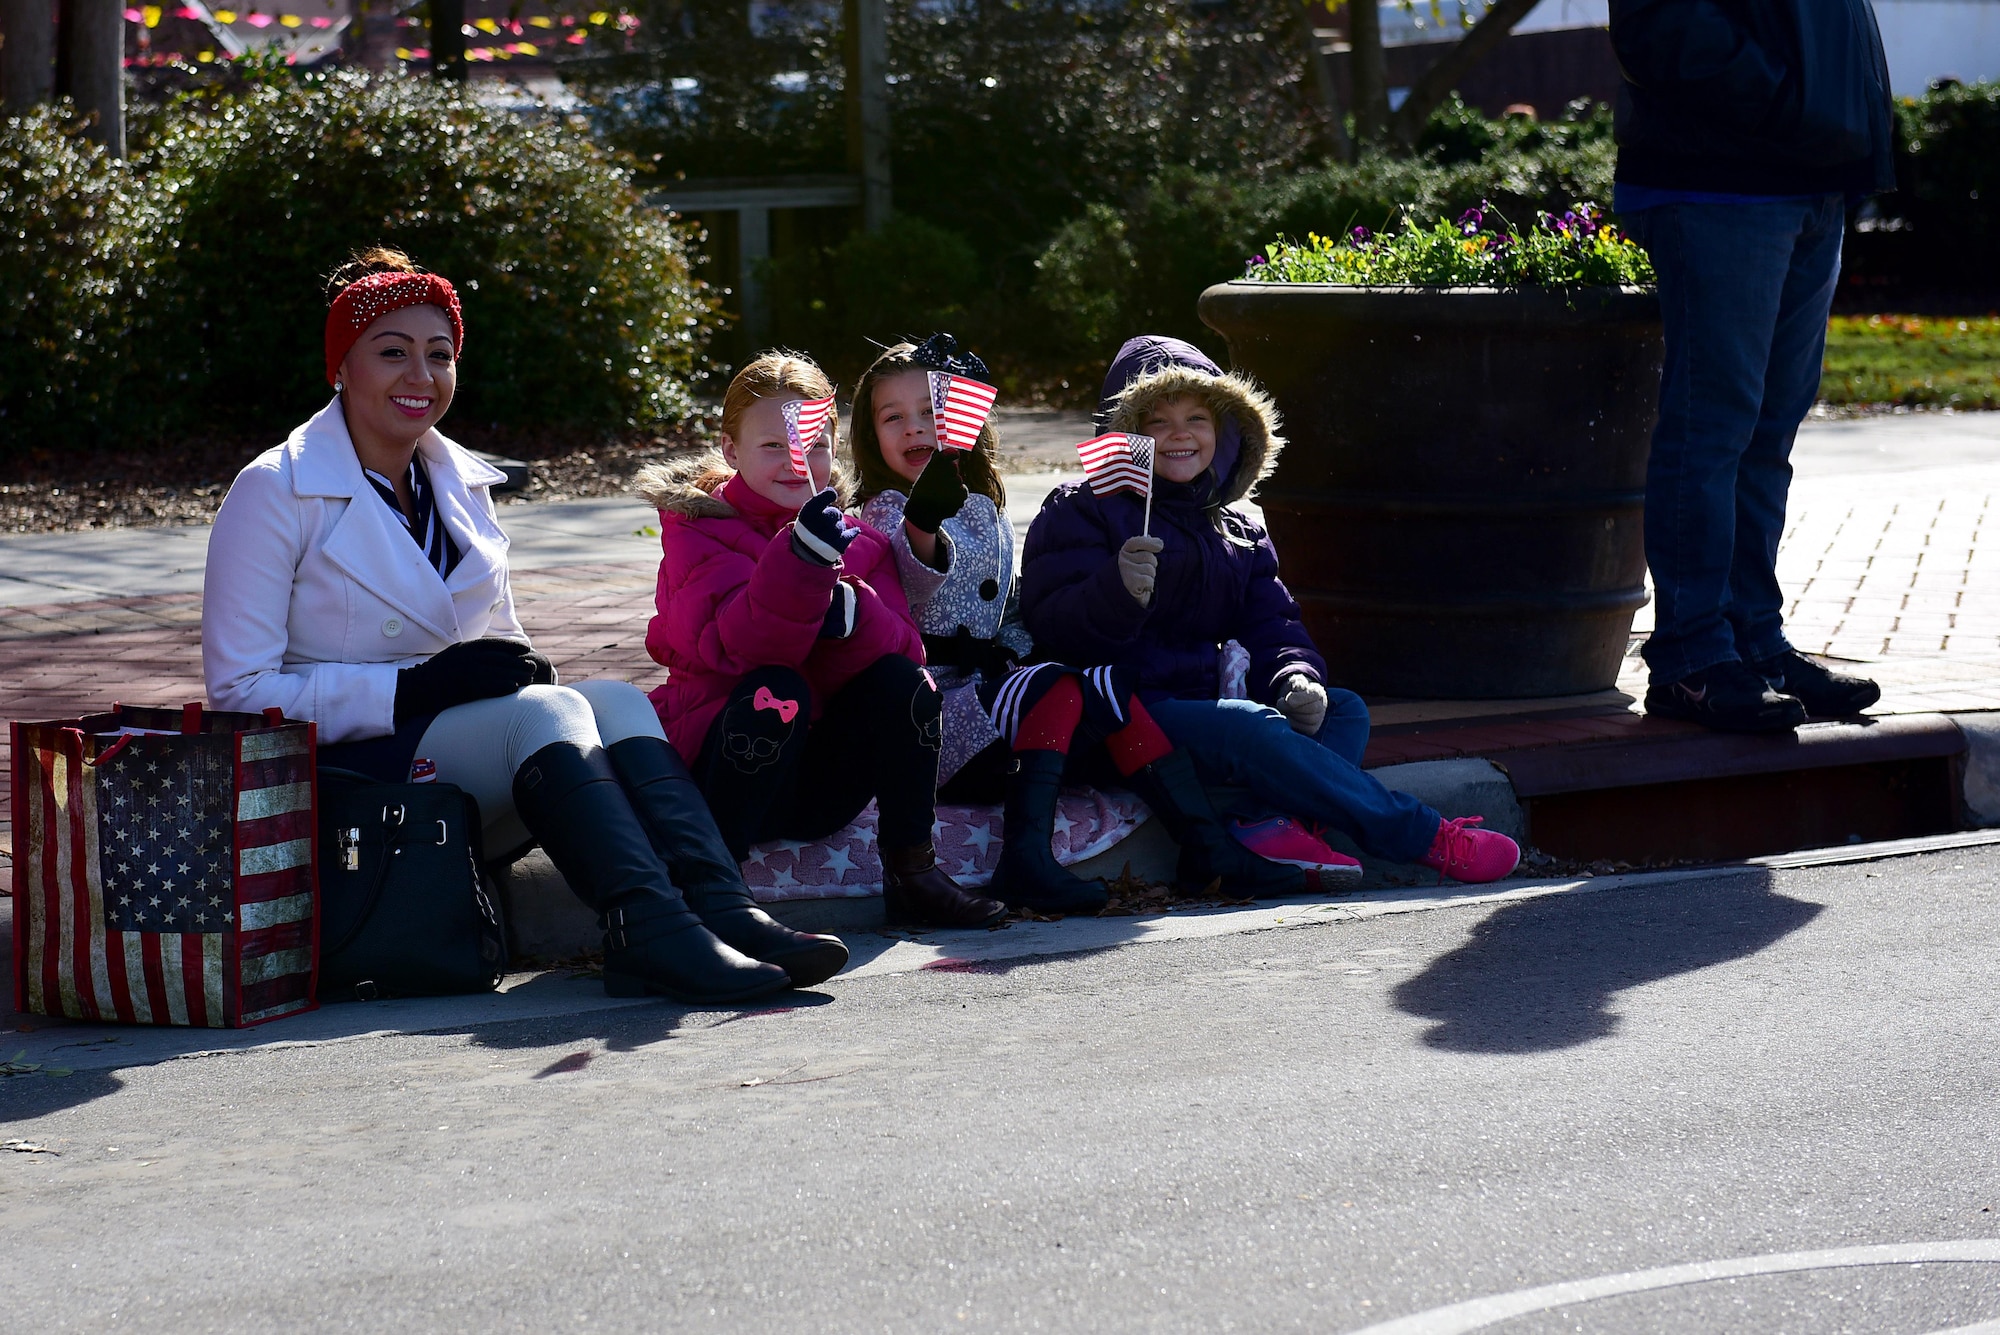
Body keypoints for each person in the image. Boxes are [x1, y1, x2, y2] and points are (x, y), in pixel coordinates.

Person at [203, 248, 845, 1005]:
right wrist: (413, 689)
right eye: (392, 353)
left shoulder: (460, 481)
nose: (421, 375)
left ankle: (722, 908)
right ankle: (649, 928)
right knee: (546, 713)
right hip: (350, 781)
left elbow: (495, 643)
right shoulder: (274, 488)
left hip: (454, 765)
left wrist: (514, 666)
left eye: (439, 355)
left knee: (614, 700)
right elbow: (238, 696)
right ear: (340, 367)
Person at [1020, 336, 1522, 887]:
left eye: (1196, 417)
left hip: (1205, 703)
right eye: (1156, 421)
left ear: (1226, 429)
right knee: (1248, 728)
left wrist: (1294, 676)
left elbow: (1273, 624)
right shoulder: (1083, 509)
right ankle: (1425, 837)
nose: (1179, 434)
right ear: (1124, 435)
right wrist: (1116, 592)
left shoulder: (1236, 528)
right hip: (1123, 715)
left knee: (1344, 709)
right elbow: (1053, 627)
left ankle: (1266, 824)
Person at [849, 335, 1323, 914]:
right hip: (938, 712)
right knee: (1058, 683)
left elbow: (1009, 608)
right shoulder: (882, 513)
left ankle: (1206, 846)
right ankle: (1026, 860)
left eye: (931, 411)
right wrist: (924, 520)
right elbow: (910, 576)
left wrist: (1030, 647)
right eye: (893, 417)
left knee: (1100, 681)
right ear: (870, 435)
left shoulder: (983, 503)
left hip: (994, 704)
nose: (915, 427)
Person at [636, 350, 1007, 929]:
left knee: (902, 681)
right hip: (726, 770)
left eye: (813, 445)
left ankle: (913, 872)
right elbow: (737, 647)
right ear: (731, 451)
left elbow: (907, 650)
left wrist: (851, 611)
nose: (796, 462)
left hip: (820, 785)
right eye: (772, 446)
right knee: (776, 688)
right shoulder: (697, 529)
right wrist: (802, 565)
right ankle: (716, 887)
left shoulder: (859, 538)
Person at [1610, 0, 1896, 731]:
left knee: (1766, 434)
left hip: (1807, 178)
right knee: (1713, 429)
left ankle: (1753, 644)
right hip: (1720, 184)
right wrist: (1786, 104)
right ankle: (1691, 661)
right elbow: (1660, 26)